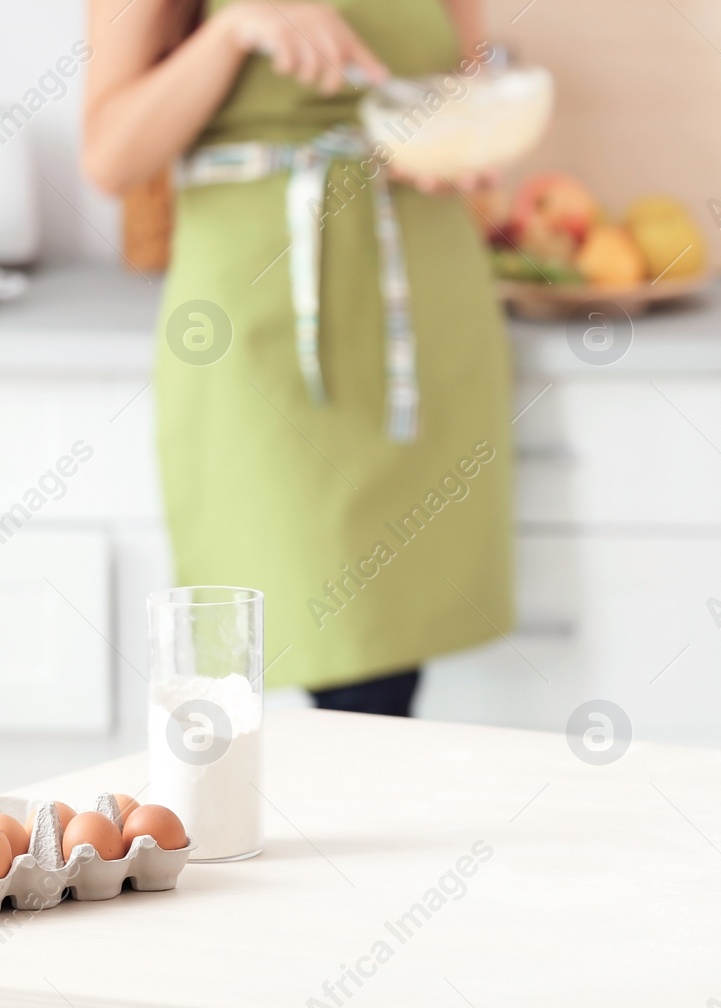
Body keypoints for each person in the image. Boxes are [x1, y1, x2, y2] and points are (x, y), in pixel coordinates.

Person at [83, 0, 514, 717]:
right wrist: (230, 31)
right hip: (257, 317)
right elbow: (111, 155)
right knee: (317, 625)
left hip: (418, 297)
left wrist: (457, 146)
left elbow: (466, 86)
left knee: (389, 664)